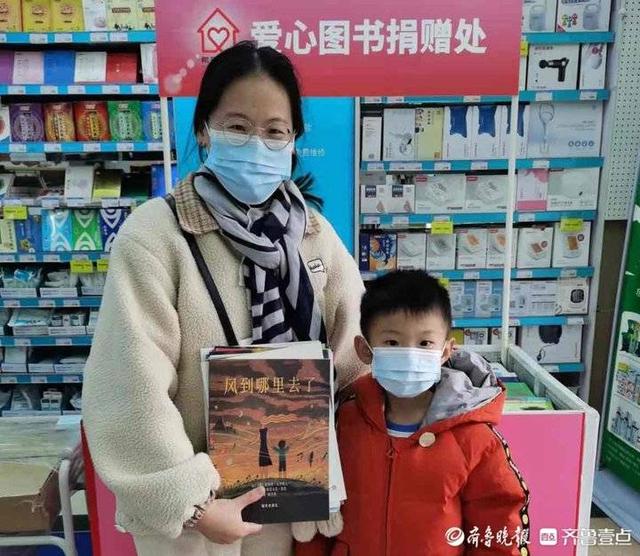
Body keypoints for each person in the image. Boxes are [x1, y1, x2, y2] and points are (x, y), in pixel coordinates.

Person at [83, 41, 365, 556]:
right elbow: (128, 388)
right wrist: (192, 503)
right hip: (201, 525)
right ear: (203, 129)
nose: (257, 144)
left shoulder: (312, 234)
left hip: (295, 507)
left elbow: (356, 356)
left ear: (293, 140)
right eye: (237, 127)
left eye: (274, 131)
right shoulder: (156, 236)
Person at [296, 271, 531, 556]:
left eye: (424, 343)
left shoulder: (474, 438)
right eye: (392, 343)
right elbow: (318, 515)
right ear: (365, 350)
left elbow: (500, 524)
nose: (409, 354)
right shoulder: (343, 422)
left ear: (446, 351)